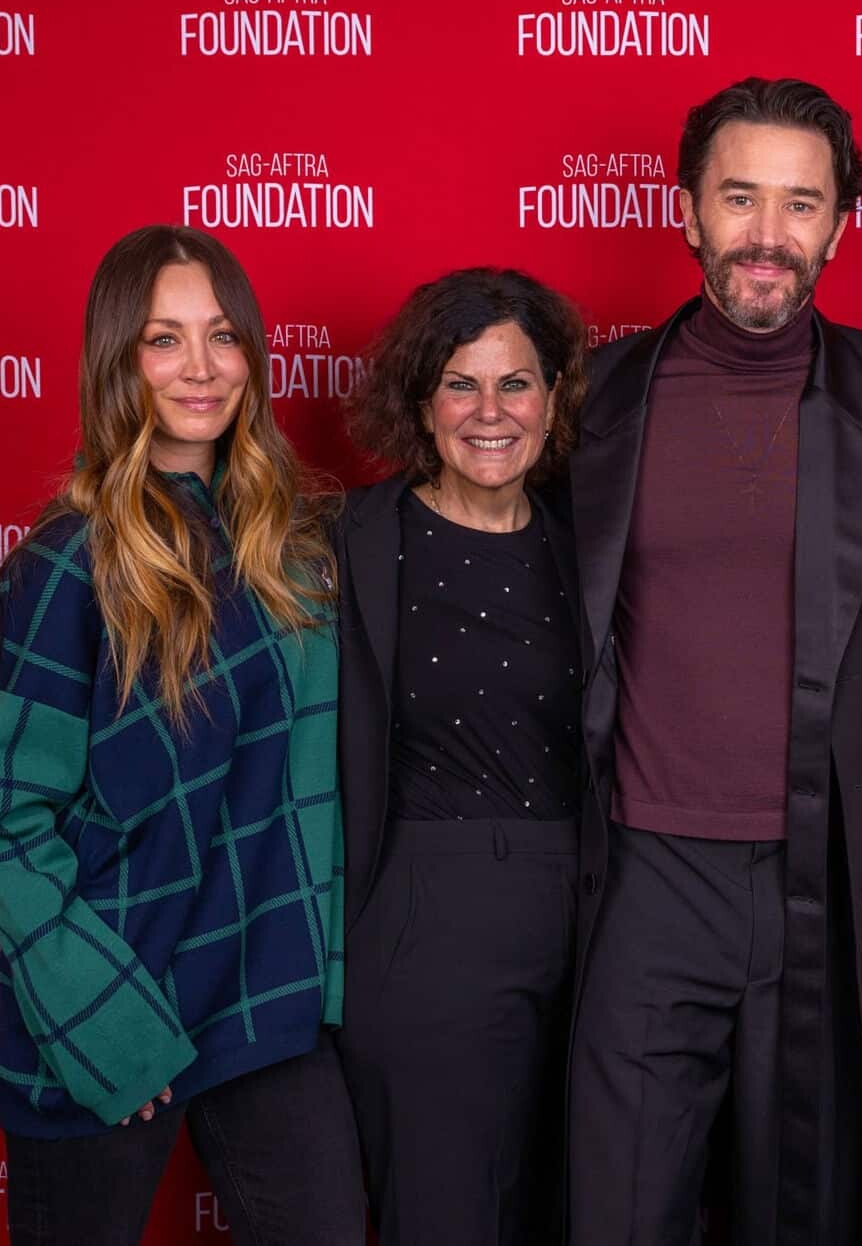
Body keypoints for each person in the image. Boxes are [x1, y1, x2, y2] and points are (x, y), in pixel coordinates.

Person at [564, 76, 862, 1245]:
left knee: (804, 1215)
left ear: (839, 226)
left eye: (801, 203)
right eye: (739, 198)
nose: (768, 235)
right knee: (617, 1213)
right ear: (687, 211)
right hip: (643, 875)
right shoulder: (589, 395)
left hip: (827, 882)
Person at [0, 225, 364, 1245]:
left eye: (222, 336)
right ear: (117, 360)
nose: (200, 367)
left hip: (262, 991)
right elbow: (2, 824)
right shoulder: (67, 565)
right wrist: (104, 1024)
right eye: (163, 339)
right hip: (110, 994)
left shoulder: (295, 549)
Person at [333, 267, 588, 1245]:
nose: (490, 412)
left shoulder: (589, 540)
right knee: (445, 1212)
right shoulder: (353, 544)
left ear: (552, 398)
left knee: (573, 1208)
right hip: (423, 921)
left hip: (591, 926)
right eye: (460, 384)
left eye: (515, 383)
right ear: (420, 402)